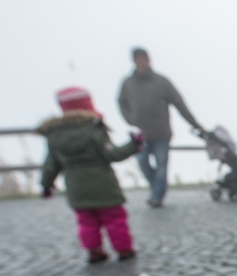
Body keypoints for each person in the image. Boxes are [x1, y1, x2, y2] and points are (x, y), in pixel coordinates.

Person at [38, 86, 143, 264]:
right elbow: (112, 154)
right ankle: (124, 250)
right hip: (103, 184)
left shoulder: (54, 134)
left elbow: (50, 164)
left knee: (86, 222)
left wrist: (46, 185)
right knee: (115, 218)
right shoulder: (94, 128)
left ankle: (94, 252)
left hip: (76, 187)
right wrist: (134, 144)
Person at [118, 47, 204, 207]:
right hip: (140, 134)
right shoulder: (128, 83)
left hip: (161, 132)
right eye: (138, 59)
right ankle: (156, 189)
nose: (141, 61)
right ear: (134, 61)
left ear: (149, 60)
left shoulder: (161, 82)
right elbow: (121, 103)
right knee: (143, 163)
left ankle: (157, 196)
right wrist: (130, 119)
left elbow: (180, 104)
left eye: (144, 58)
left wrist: (196, 125)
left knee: (162, 165)